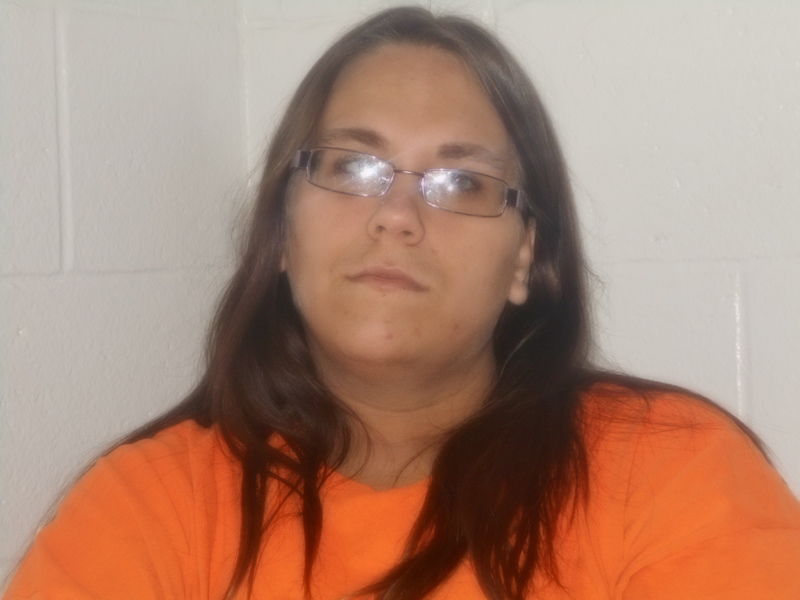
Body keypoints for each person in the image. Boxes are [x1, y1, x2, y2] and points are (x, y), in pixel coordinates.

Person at [4, 6, 800, 600]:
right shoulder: (149, 503)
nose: (396, 215)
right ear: (281, 232)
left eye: (462, 181)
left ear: (525, 256)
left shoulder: (672, 475)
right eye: (353, 167)